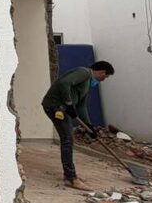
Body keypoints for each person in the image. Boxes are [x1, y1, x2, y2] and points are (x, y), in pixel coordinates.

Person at [41, 61, 115, 190]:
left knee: (68, 140)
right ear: (102, 72)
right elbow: (64, 83)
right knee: (67, 140)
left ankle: (69, 176)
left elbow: (81, 106)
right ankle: (71, 178)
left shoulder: (87, 83)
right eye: (106, 77)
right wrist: (68, 103)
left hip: (63, 108)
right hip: (55, 107)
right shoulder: (84, 72)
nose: (104, 80)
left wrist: (89, 126)